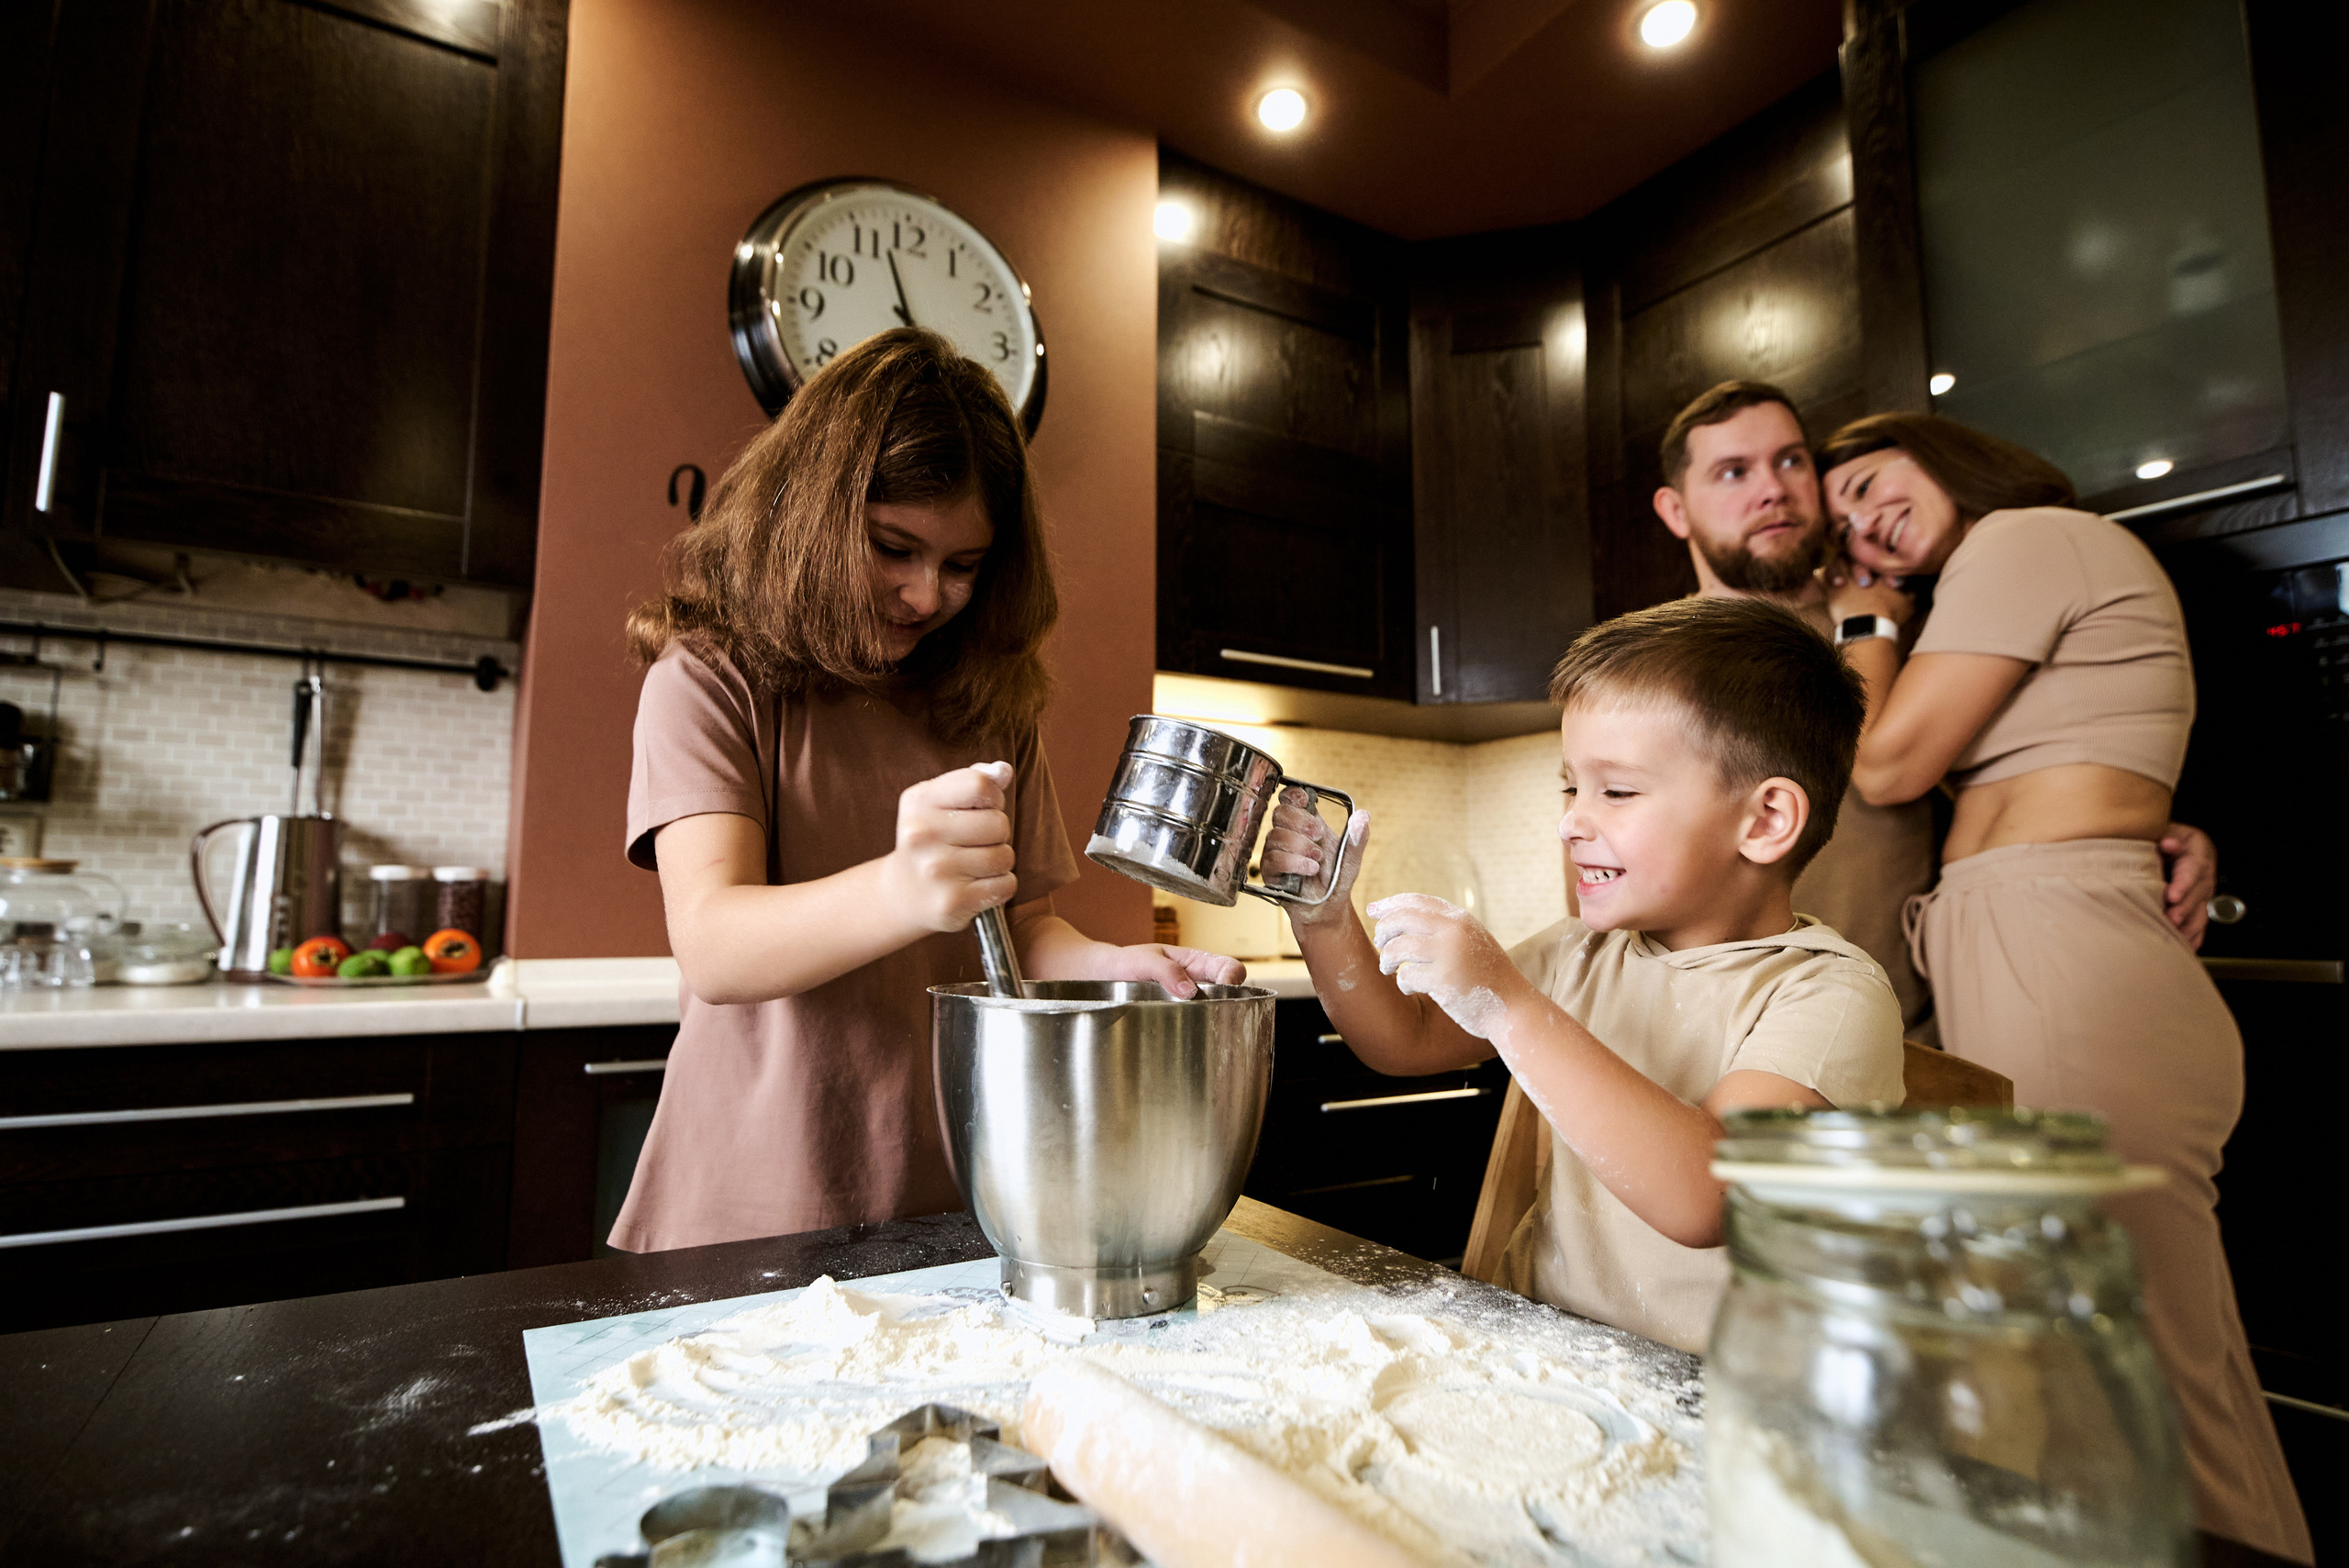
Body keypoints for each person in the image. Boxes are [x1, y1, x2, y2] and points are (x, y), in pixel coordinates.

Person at [611, 328, 1241, 1253]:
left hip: (948, 1196)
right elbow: (714, 943)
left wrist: (1111, 965)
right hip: (745, 1214)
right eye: (892, 547)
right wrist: (900, 888)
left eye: (962, 565)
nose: (924, 595)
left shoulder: (985, 700)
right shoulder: (709, 677)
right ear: (812, 515)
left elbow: (1023, 928)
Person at [1818, 413, 2310, 1563]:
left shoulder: (2026, 536)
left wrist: (1862, 620)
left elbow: (1887, 762)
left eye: (1870, 482)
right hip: (2044, 939)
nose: (1863, 521)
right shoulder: (2009, 576)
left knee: (2135, 1368)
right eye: (1846, 523)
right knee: (2168, 1363)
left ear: (1940, 452)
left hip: (2062, 945)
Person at [1264, 596, 1906, 1353]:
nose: (1572, 820)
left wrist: (1508, 1003)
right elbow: (1402, 1041)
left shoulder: (1826, 995)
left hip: (1726, 1399)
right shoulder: (1579, 952)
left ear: (1764, 821)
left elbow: (1705, 1195)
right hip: (1554, 1352)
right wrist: (1324, 919)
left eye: (1618, 790)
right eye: (1571, 787)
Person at [1650, 381, 2221, 1037]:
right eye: (1733, 471)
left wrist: (2153, 831)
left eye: (1790, 460)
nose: (1773, 487)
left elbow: (2000, 777)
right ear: (1675, 509)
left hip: (1942, 1022)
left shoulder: (1907, 630)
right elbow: (1606, 885)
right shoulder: (1647, 666)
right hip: (1737, 1041)